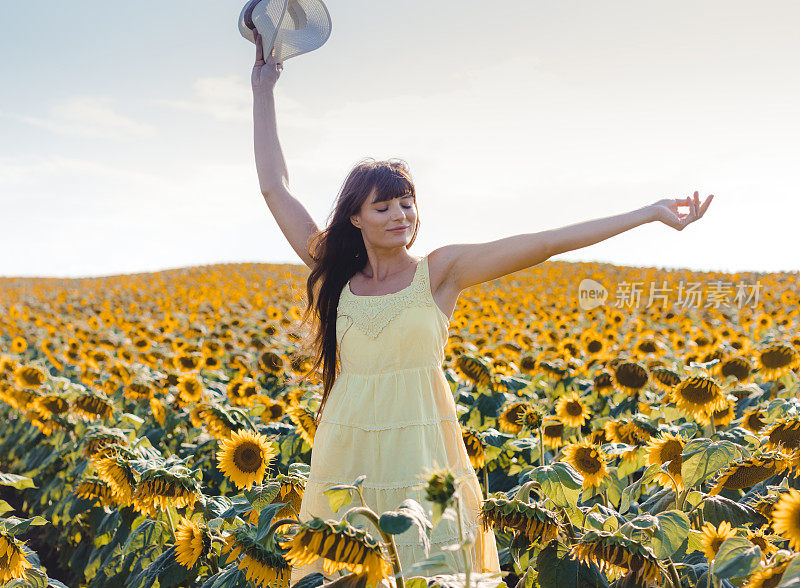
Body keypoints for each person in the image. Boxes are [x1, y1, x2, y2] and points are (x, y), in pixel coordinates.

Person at [250, 31, 713, 586]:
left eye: (407, 203)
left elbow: (544, 243)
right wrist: (264, 89)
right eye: (384, 206)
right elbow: (275, 189)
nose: (401, 214)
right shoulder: (334, 271)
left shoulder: (440, 271)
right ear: (355, 218)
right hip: (346, 447)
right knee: (341, 576)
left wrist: (646, 212)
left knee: (435, 571)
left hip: (425, 448)